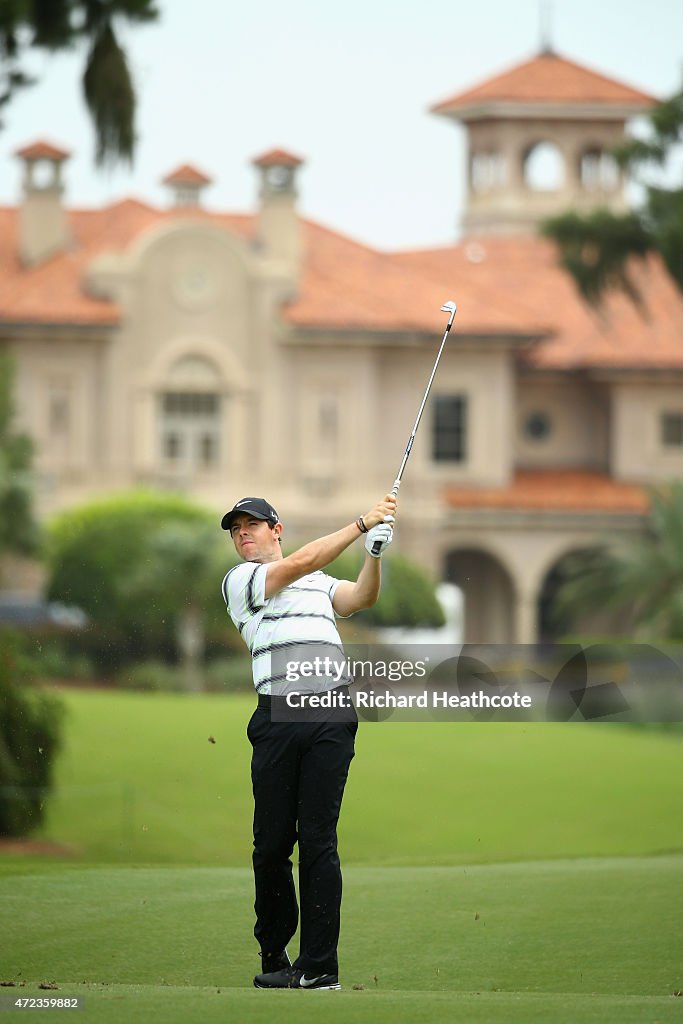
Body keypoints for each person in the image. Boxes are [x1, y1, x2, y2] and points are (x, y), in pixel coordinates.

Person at [220, 493, 397, 990]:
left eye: (251, 525)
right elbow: (301, 561)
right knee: (272, 845)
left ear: (276, 528)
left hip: (329, 715)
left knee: (319, 840)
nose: (242, 535)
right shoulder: (242, 581)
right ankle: (275, 953)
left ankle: (320, 966)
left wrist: (374, 555)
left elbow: (361, 598)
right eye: (235, 530)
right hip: (276, 716)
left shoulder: (317, 583)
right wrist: (362, 524)